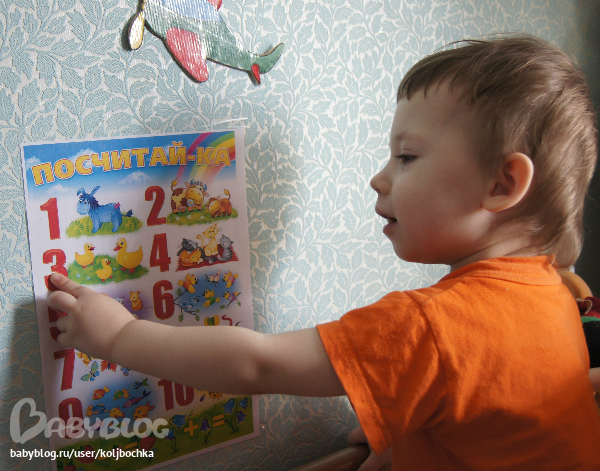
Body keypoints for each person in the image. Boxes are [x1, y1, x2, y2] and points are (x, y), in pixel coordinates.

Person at [47, 35, 600, 470]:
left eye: (407, 157)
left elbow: (259, 363)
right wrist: (412, 430)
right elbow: (494, 414)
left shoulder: (433, 326)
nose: (379, 178)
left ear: (503, 184)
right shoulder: (558, 293)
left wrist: (117, 337)